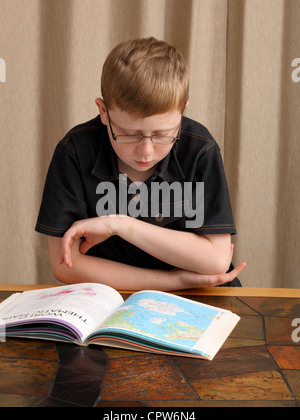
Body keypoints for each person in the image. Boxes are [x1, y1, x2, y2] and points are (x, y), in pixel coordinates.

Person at [35, 37, 246, 291]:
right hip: (124, 297)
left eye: (162, 134)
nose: (146, 151)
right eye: (129, 133)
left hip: (201, 295)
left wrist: (119, 225)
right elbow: (65, 266)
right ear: (104, 112)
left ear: (182, 112)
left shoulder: (200, 149)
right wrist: (176, 281)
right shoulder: (74, 151)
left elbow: (215, 260)